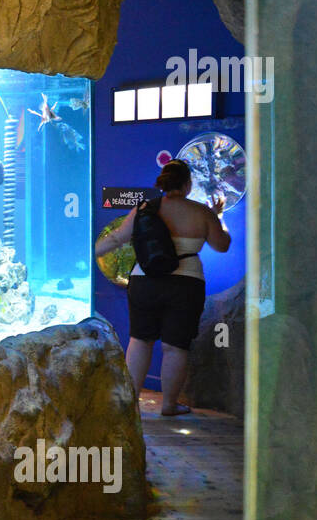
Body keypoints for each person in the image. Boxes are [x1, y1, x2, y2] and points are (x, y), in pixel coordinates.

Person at [94, 159, 230, 416]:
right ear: (188, 184)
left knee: (140, 341)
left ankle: (130, 406)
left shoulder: (144, 208)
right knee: (175, 346)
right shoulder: (202, 212)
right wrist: (218, 218)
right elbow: (222, 245)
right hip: (185, 284)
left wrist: (88, 252)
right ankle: (168, 405)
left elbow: (116, 238)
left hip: (144, 281)